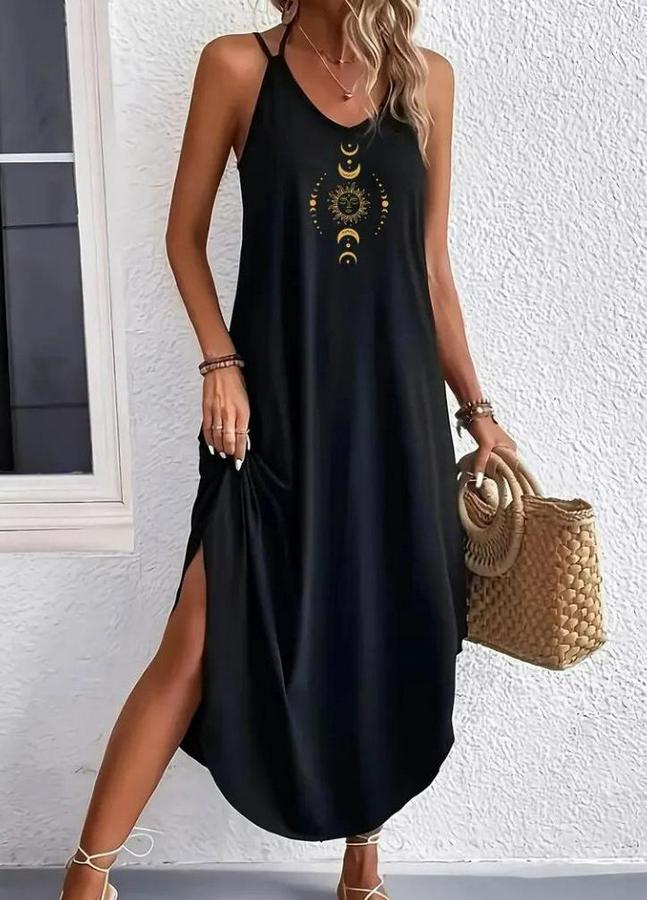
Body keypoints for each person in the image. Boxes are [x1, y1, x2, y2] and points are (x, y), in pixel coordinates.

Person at [59, 1, 517, 898]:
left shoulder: (427, 80)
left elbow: (430, 267)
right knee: (197, 638)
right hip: (272, 412)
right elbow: (183, 238)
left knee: (382, 625)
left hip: (393, 414)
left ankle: (363, 854)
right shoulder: (238, 66)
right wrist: (219, 362)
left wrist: (476, 408)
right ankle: (88, 876)